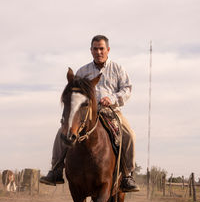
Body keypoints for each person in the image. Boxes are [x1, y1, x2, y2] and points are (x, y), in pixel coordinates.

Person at [40, 35, 139, 192]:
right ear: (91, 50)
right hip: (85, 112)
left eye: (101, 48)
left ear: (108, 50)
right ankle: (56, 170)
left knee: (129, 134)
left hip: (111, 111)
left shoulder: (118, 69)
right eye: (95, 49)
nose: (98, 52)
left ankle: (127, 175)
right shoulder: (82, 71)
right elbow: (74, 93)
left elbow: (127, 89)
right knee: (62, 132)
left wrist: (112, 98)